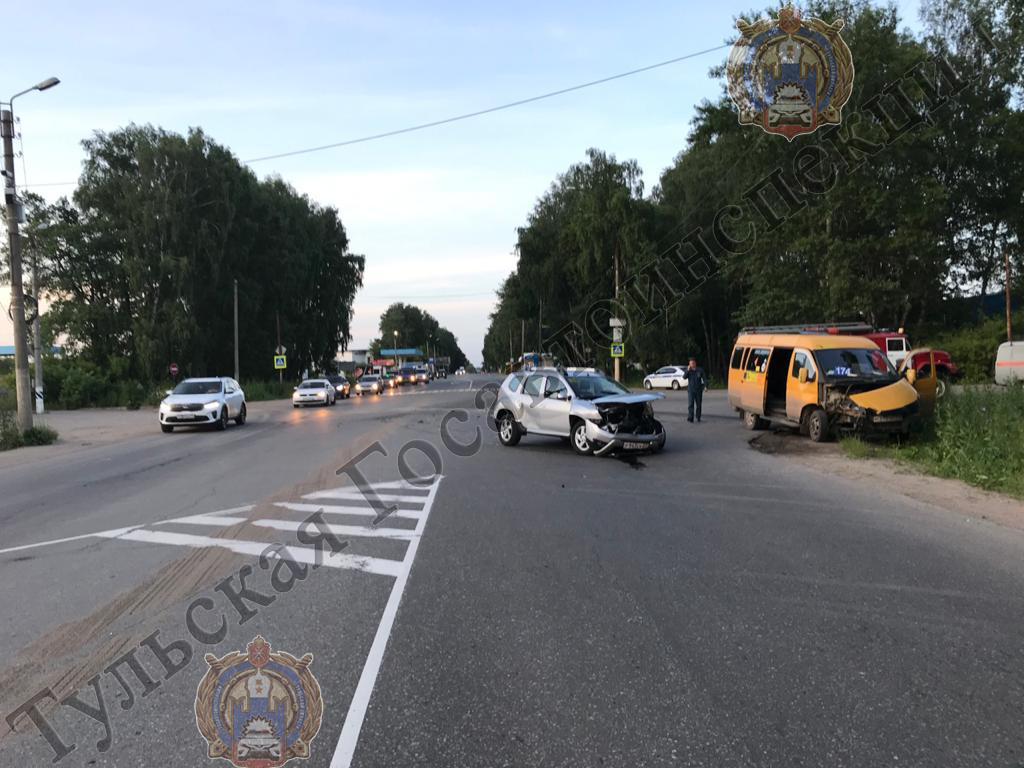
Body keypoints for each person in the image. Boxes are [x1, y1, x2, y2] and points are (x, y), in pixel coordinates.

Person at [683, 358, 706, 423]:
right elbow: (684, 377)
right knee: (690, 404)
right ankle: (691, 417)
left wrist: (705, 386)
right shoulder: (688, 371)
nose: (691, 364)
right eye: (690, 363)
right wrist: (687, 370)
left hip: (698, 390)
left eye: (692, 363)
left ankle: (698, 417)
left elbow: (704, 378)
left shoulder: (700, 370)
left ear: (695, 363)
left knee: (698, 405)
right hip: (691, 391)